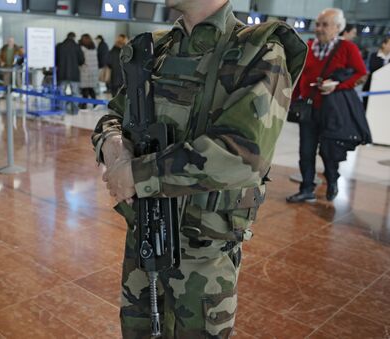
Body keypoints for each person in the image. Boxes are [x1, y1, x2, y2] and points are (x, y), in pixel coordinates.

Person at [92, 0, 307, 337]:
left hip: (203, 257)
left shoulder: (258, 50)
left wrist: (137, 174)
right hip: (144, 237)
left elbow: (242, 154)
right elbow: (114, 115)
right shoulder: (155, 49)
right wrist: (113, 144)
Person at [287, 8, 367, 203]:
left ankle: (332, 180)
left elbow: (361, 73)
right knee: (306, 150)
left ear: (338, 28)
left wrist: (338, 86)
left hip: (332, 111)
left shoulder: (347, 48)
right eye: (318, 24)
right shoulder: (307, 47)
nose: (319, 28)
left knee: (328, 151)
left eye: (325, 25)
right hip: (308, 108)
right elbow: (298, 78)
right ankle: (306, 188)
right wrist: (291, 101)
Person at [56, 32, 85, 113]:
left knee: (61, 93)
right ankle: (74, 111)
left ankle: (61, 110)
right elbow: (81, 60)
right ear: (74, 37)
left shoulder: (60, 46)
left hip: (61, 74)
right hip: (74, 74)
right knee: (75, 93)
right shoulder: (77, 47)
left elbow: (55, 60)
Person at [363, 36, 390, 110]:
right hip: (372, 87)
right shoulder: (374, 56)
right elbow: (374, 69)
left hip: (386, 88)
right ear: (383, 45)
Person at [79, 34, 99, 109]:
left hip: (85, 70)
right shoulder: (94, 47)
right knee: (90, 88)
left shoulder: (82, 48)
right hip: (93, 70)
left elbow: (81, 60)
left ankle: (84, 104)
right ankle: (95, 103)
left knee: (85, 88)